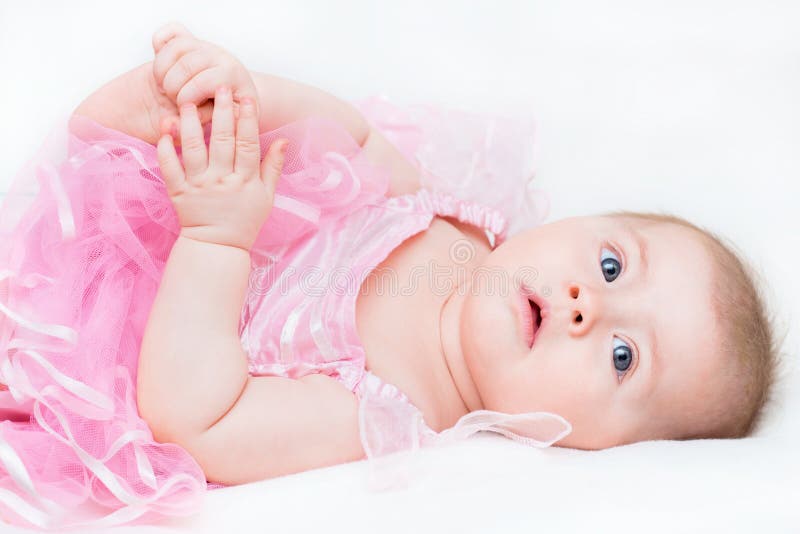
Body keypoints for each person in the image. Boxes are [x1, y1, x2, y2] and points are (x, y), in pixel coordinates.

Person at [0, 22, 776, 530]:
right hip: (168, 214)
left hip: (144, 327)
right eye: (611, 264)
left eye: (622, 358)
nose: (586, 306)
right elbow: (352, 136)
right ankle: (144, 123)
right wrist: (246, 97)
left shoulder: (389, 412)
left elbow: (198, 418)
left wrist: (215, 238)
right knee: (156, 140)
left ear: (599, 450)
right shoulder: (463, 222)